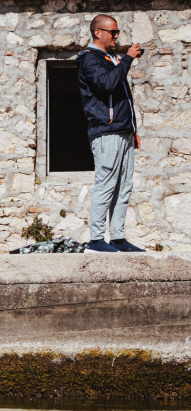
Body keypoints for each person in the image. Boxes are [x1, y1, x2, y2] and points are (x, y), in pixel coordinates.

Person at [77, 14, 146, 253]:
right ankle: (96, 240)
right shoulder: (89, 60)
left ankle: (117, 238)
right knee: (106, 184)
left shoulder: (111, 58)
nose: (116, 36)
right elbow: (107, 85)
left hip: (123, 131)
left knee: (124, 186)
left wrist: (132, 129)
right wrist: (127, 60)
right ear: (98, 32)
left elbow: (124, 97)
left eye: (117, 32)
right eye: (112, 32)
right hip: (106, 131)